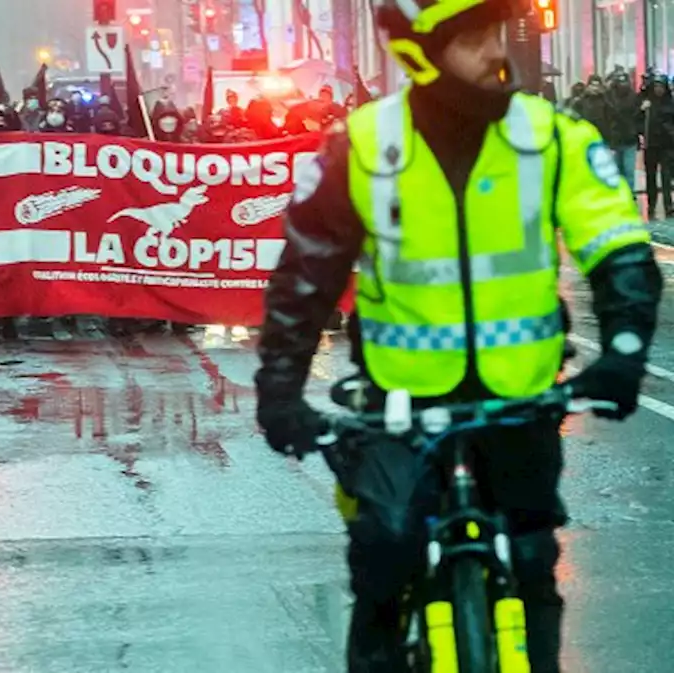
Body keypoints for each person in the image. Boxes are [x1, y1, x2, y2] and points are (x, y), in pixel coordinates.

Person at [253, 0, 661, 670]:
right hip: (398, 403)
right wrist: (280, 389)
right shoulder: (363, 143)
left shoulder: (550, 135)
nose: (495, 51)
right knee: (383, 560)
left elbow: (618, 247)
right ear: (420, 52)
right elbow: (306, 274)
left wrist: (621, 352)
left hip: (521, 399)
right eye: (474, 39)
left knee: (532, 562)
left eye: (497, 33)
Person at [640, 71, 674, 218]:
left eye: (661, 86)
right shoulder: (646, 103)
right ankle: (651, 204)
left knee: (666, 177)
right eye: (656, 86)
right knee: (651, 177)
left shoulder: (670, 104)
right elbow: (637, 120)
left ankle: (669, 205)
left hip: (666, 145)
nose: (659, 89)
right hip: (651, 145)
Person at [606, 69, 641, 195]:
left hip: (628, 138)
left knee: (627, 169)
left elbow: (637, 116)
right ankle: (623, 194)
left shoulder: (633, 97)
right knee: (620, 170)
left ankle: (628, 194)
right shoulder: (609, 97)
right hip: (617, 138)